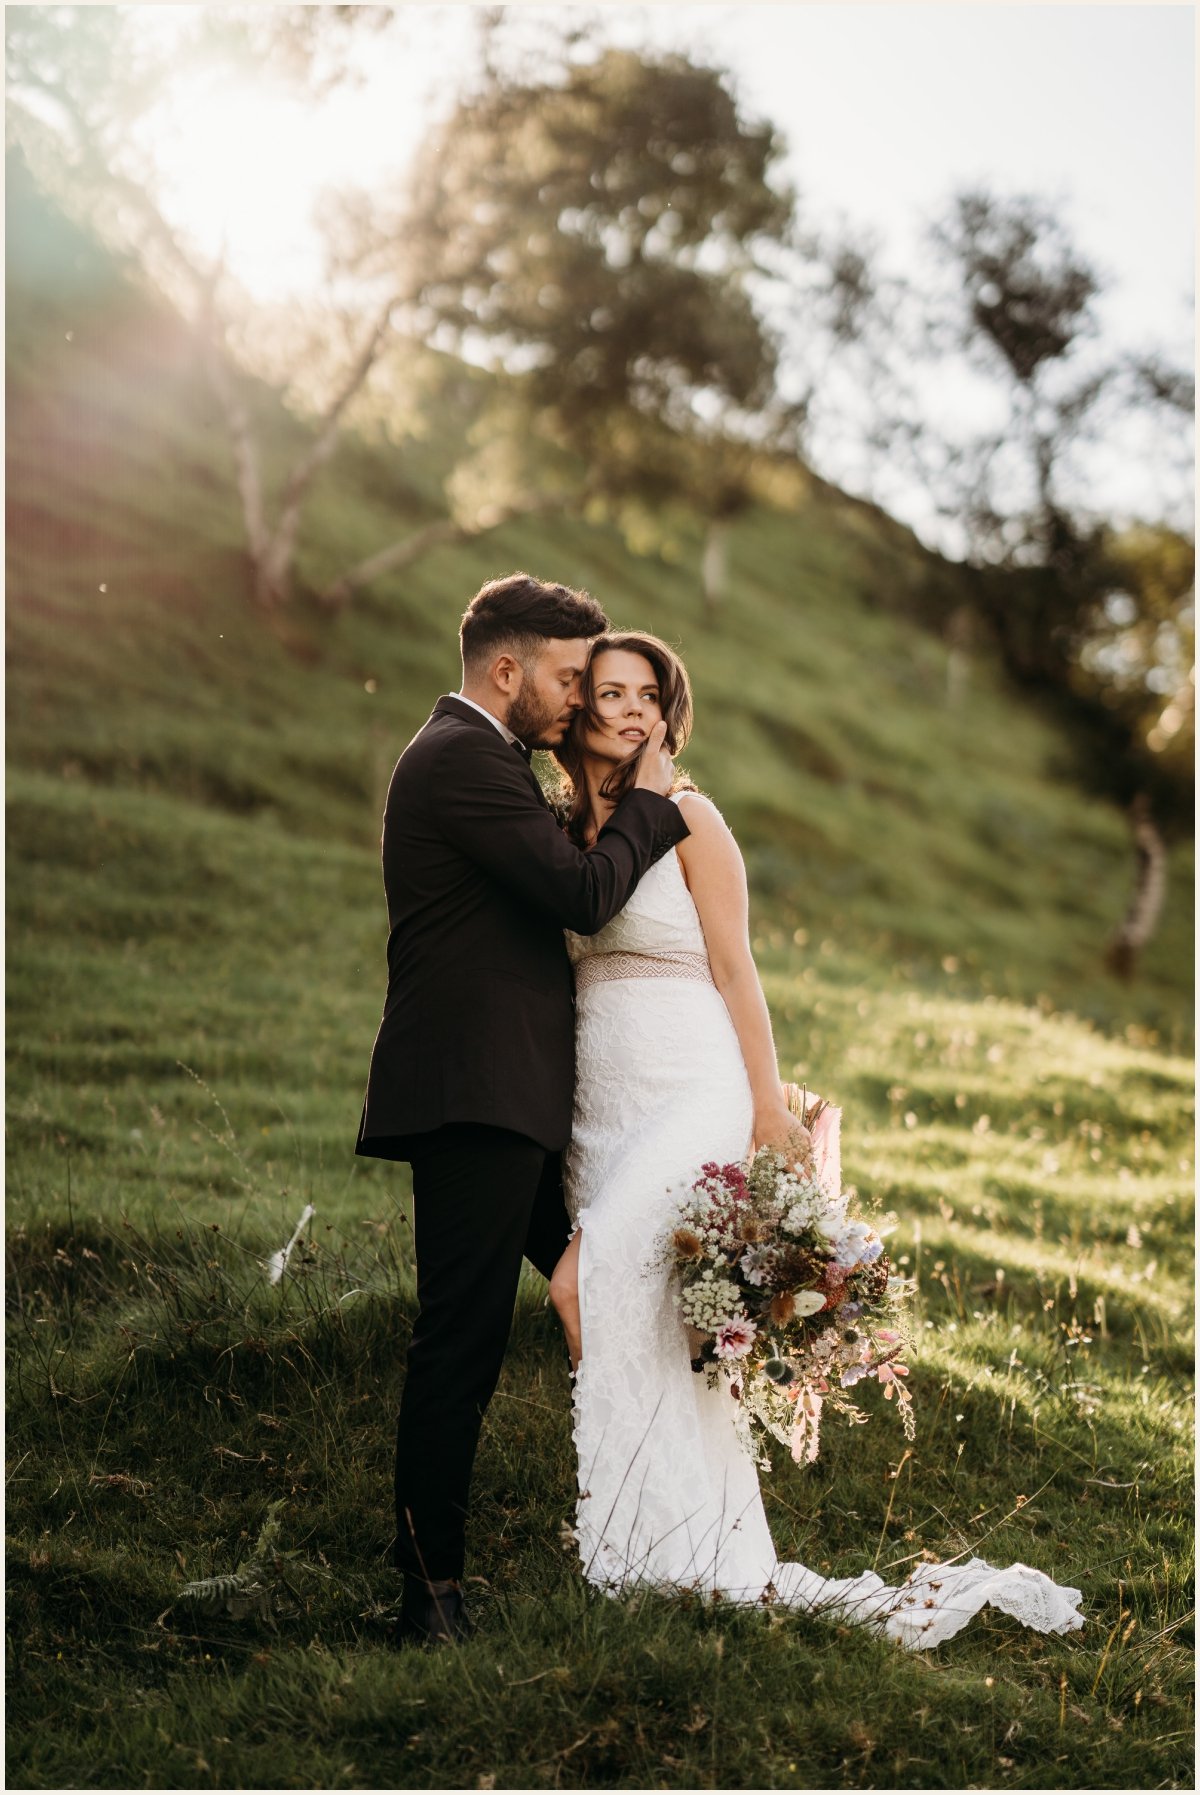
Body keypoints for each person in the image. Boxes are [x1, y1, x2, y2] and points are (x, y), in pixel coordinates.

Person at [547, 632, 1085, 1649]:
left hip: (695, 1091)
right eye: (607, 692)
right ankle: (680, 1544)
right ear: (578, 711)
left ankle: (631, 1540)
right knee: (649, 1315)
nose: (626, 709)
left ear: (669, 713)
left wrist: (765, 1104)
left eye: (645, 695)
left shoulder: (693, 818)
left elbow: (738, 971)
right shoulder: (566, 832)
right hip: (604, 1112)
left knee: (585, 1284)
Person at [356, 575, 689, 1647]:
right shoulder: (459, 759)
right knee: (458, 1342)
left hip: (510, 1099)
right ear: (507, 670)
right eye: (563, 677)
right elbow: (584, 894)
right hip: (475, 1097)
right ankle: (430, 1598)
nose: (577, 699)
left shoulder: (484, 763)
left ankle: (657, 1530)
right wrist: (655, 801)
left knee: (603, 1282)